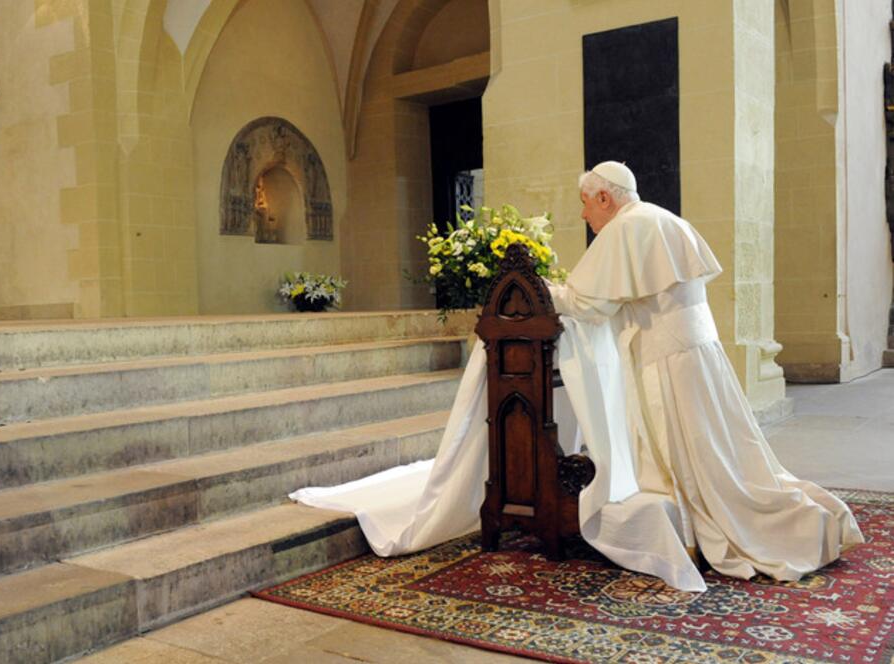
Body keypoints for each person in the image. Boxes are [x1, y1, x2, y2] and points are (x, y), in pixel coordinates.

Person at [291, 161, 862, 592]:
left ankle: (773, 525)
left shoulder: (629, 229)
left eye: (587, 206)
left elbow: (590, 303)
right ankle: (773, 515)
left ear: (606, 198)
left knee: (704, 458)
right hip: (694, 353)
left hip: (672, 361)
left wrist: (532, 290)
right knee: (719, 450)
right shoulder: (660, 219)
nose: (586, 217)